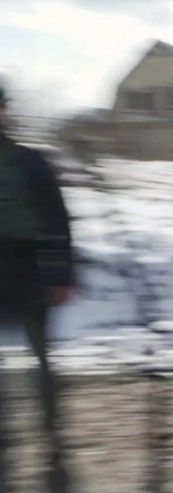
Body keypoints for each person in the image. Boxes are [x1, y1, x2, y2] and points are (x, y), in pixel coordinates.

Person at [0, 83, 74, 468]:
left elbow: (57, 220)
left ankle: (53, 436)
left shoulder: (30, 161)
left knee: (41, 359)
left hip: (25, 267)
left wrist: (61, 275)